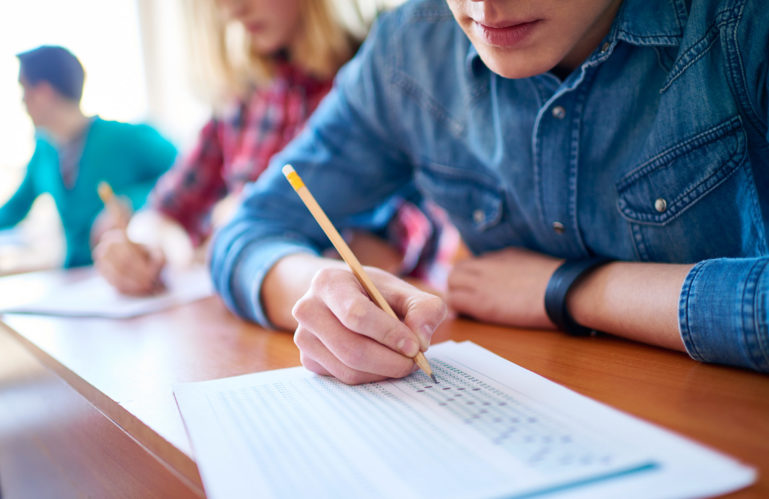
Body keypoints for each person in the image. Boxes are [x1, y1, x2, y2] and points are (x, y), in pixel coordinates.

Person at [210, 0, 769, 381]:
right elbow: (247, 231)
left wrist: (570, 292)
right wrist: (325, 293)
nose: (486, 5)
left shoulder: (742, 24)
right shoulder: (411, 46)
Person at [94, 0, 456, 296]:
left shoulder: (384, 73)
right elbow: (169, 209)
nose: (230, 9)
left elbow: (414, 228)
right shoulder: (241, 95)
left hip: (395, 311)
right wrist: (149, 249)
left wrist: (245, 227)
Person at [0, 45, 176, 268]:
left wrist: (130, 202)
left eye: (25, 90)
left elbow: (187, 176)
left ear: (45, 92)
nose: (22, 102)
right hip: (74, 277)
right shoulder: (43, 153)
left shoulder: (126, 138)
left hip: (129, 271)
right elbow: (13, 210)